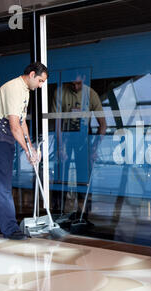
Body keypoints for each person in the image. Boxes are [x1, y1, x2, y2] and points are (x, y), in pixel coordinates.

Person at [0, 62, 49, 240]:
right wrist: (27, 151)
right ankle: (10, 229)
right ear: (32, 74)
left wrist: (31, 148)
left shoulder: (25, 90)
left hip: (5, 138)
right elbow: (13, 125)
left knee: (1, 182)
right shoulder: (13, 88)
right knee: (3, 186)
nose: (41, 85)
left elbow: (22, 122)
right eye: (41, 81)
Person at [51, 74, 107, 221]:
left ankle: (83, 215)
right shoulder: (60, 92)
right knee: (60, 175)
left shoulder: (91, 94)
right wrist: (60, 146)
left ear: (84, 79)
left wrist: (94, 148)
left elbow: (103, 124)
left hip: (84, 139)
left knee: (84, 177)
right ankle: (57, 212)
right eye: (73, 84)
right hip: (65, 137)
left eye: (79, 84)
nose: (75, 87)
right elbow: (56, 123)